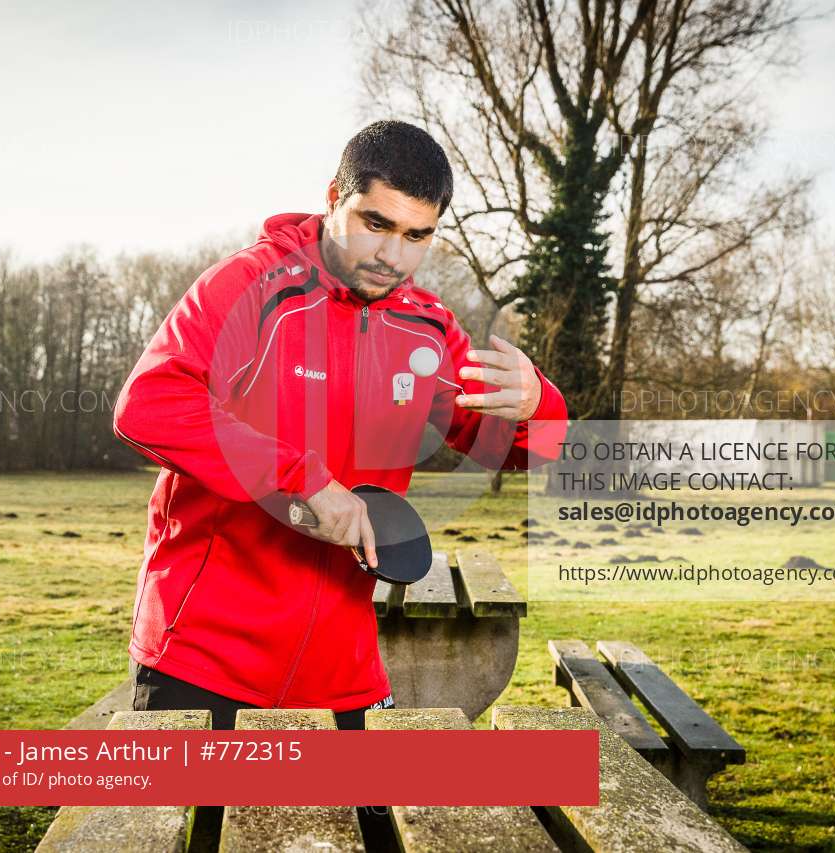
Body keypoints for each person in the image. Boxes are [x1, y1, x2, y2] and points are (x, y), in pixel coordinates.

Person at [113, 120, 568, 730]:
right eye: (375, 224)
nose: (392, 256)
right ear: (334, 198)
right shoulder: (249, 287)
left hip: (345, 670)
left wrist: (539, 405)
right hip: (205, 660)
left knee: (395, 798)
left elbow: (524, 451)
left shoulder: (428, 327)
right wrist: (300, 479)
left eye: (416, 236)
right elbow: (149, 403)